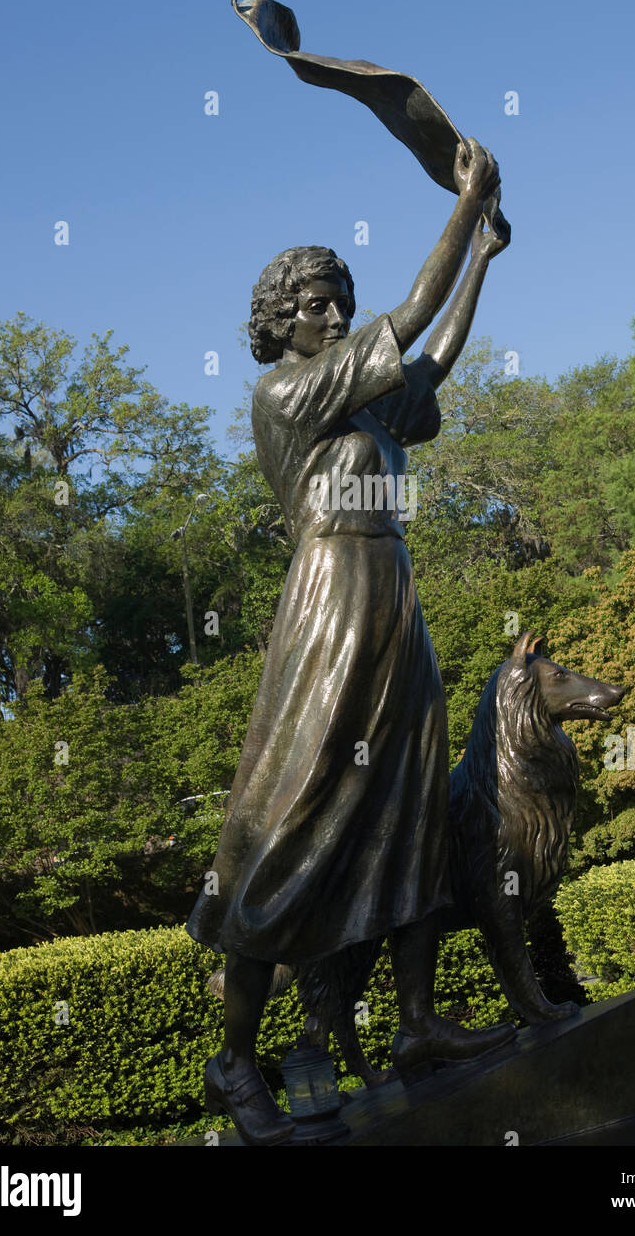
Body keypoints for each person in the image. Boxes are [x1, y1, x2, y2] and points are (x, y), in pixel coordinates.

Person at [187, 139, 511, 1144]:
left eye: (338, 298)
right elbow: (405, 317)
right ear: (280, 321)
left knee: (411, 799)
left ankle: (414, 1023)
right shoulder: (287, 395)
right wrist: (462, 204)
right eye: (316, 302)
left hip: (391, 587)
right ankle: (234, 1061)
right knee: (286, 819)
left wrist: (485, 258)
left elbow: (430, 359)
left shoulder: (362, 403)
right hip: (328, 593)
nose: (333, 313)